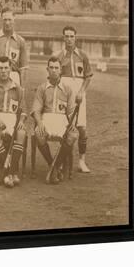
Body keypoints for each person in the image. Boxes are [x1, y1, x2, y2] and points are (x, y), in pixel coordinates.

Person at [31, 57, 79, 184]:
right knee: (39, 133)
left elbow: (71, 112)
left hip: (62, 120)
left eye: (56, 68)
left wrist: (72, 124)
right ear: (47, 70)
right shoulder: (42, 88)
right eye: (51, 68)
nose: (53, 70)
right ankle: (54, 165)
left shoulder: (68, 89)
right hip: (47, 118)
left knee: (73, 134)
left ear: (60, 70)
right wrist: (40, 123)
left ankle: (55, 166)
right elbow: (36, 110)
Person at [54, 26, 94, 173]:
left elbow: (88, 76)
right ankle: (64, 160)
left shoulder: (82, 55)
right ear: (63, 38)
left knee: (82, 128)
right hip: (64, 93)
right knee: (65, 127)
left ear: (75, 37)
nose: (69, 39)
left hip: (79, 93)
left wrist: (81, 92)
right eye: (67, 36)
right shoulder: (59, 56)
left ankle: (82, 161)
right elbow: (55, 77)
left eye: (72, 36)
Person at [0, 56, 27, 187]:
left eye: (6, 68)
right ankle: (9, 171)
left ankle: (11, 171)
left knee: (22, 133)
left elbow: (23, 110)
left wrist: (22, 120)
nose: (3, 71)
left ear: (11, 69)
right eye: (0, 68)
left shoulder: (18, 88)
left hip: (13, 118)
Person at [0, 8, 29, 86]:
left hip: (13, 75)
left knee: (13, 98)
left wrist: (22, 88)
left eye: (10, 20)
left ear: (14, 20)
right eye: (5, 20)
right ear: (1, 20)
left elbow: (23, 67)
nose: (7, 23)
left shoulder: (20, 41)